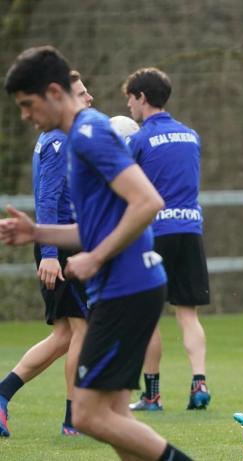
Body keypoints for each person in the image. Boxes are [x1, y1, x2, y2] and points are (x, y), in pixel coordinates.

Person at [2, 46, 193, 461]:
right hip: (126, 287)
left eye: (27, 105)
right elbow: (95, 226)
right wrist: (37, 232)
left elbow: (147, 202)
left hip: (127, 288)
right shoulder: (75, 141)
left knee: (88, 416)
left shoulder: (90, 132)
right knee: (116, 418)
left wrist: (97, 256)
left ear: (54, 93)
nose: (25, 116)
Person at [0, 70, 92, 438]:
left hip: (68, 243)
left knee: (66, 336)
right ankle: (74, 420)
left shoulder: (66, 138)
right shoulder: (57, 142)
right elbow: (47, 200)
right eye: (83, 93)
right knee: (83, 331)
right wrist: (51, 254)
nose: (91, 98)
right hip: (63, 247)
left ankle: (3, 394)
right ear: (64, 98)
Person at [123, 67, 211, 411]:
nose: (129, 106)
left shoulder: (139, 139)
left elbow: (126, 186)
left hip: (154, 234)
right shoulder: (191, 135)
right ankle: (199, 381)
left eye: (130, 99)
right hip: (190, 230)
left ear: (142, 98)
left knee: (148, 314)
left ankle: (152, 395)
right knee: (188, 314)